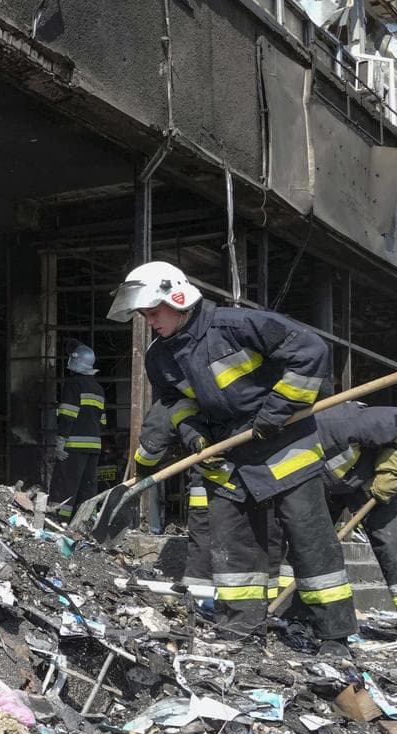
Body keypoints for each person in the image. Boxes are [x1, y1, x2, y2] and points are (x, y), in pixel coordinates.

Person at [109, 260, 356, 647]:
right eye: (144, 315)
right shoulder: (160, 358)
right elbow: (178, 406)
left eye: (153, 313)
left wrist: (275, 412)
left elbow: (311, 352)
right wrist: (196, 439)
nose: (149, 322)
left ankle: (334, 635)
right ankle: (239, 629)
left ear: (178, 299)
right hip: (227, 457)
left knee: (310, 543)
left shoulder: (238, 326)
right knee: (233, 550)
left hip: (285, 445)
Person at [313, 403, 397, 638]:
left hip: (373, 478)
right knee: (309, 547)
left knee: (396, 545)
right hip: (328, 486)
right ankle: (298, 619)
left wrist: (391, 472)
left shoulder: (337, 422)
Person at [131, 399, 214, 605]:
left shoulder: (174, 401)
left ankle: (198, 599)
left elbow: (151, 444)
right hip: (248, 485)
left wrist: (143, 469)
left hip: (209, 485)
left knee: (203, 537)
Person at [47, 342, 106, 522]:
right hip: (94, 446)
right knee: (87, 487)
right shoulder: (99, 389)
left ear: (75, 362)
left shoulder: (73, 384)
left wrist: (61, 440)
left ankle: (58, 520)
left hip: (73, 446)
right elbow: (102, 421)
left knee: (64, 485)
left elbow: (67, 414)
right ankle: (85, 522)